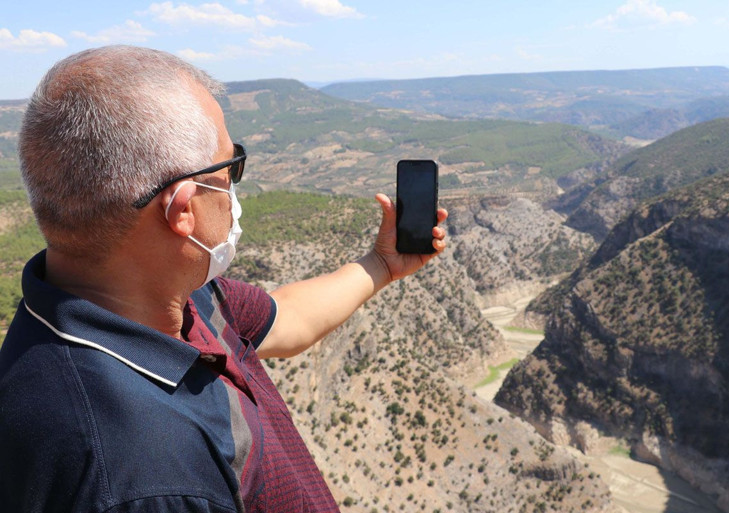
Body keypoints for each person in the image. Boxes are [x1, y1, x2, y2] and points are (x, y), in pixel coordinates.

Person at [0, 45, 447, 513]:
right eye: (230, 167)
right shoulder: (148, 477)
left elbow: (287, 319)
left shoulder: (171, 297)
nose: (234, 187)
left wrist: (381, 264)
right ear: (183, 209)